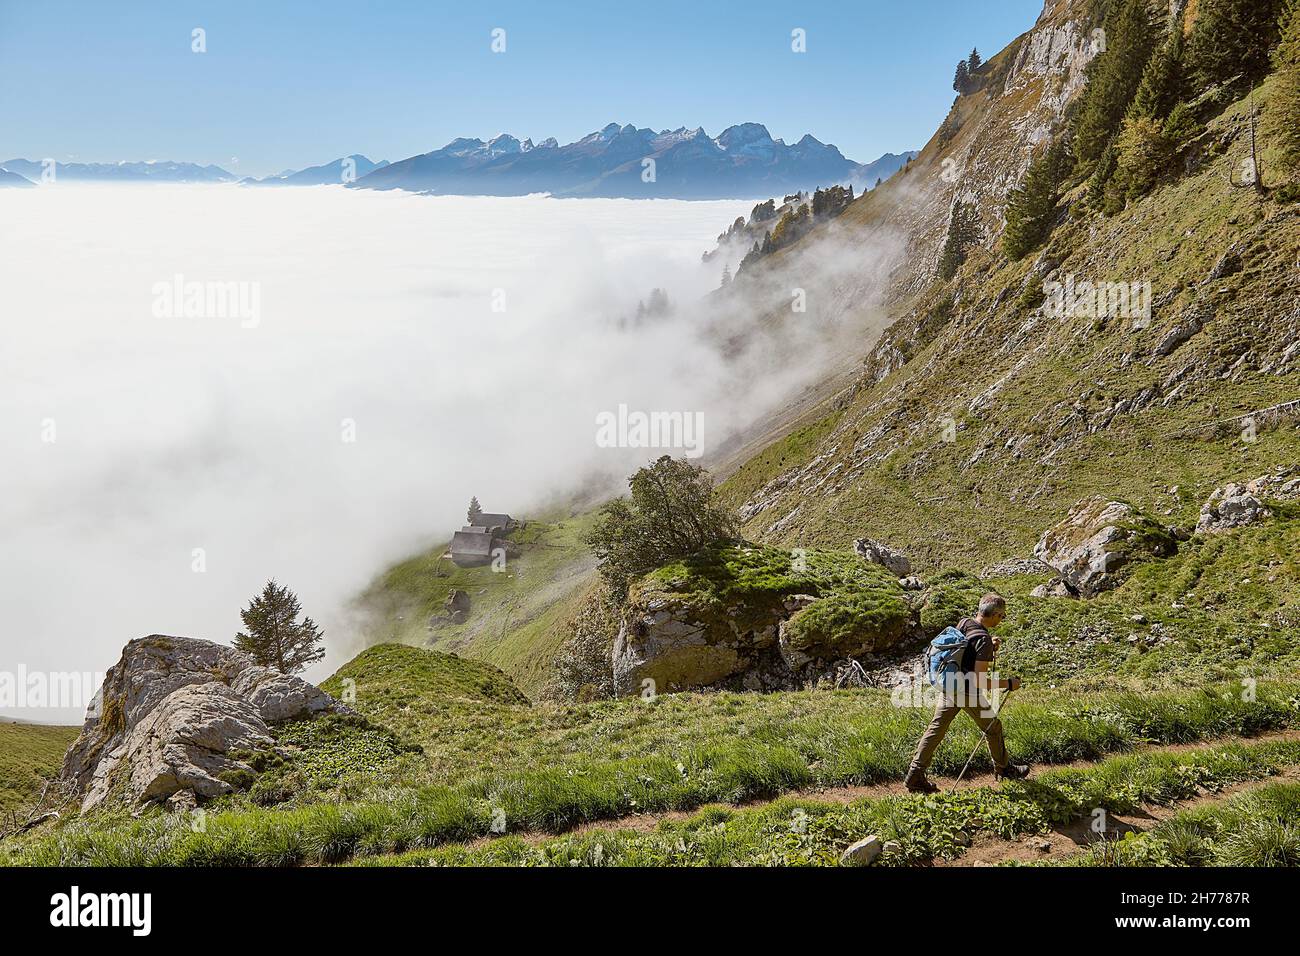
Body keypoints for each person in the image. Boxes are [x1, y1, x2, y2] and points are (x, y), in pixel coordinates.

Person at [904, 593, 1031, 794]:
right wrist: (1008, 683)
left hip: (949, 683)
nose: (1002, 619)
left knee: (937, 727)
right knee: (993, 727)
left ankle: (915, 775)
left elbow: (965, 650)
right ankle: (1004, 769)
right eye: (1002, 616)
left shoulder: (965, 622)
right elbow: (979, 680)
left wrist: (989, 645)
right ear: (995, 615)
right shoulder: (984, 640)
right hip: (966, 690)